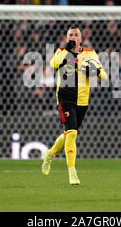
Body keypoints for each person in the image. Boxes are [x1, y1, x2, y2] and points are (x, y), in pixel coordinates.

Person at [41, 25, 107, 185]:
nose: (73, 37)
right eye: (70, 35)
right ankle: (72, 172)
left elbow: (104, 76)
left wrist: (95, 70)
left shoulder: (90, 54)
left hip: (83, 100)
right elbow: (53, 64)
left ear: (81, 38)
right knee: (72, 133)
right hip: (65, 98)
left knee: (68, 133)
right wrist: (67, 50)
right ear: (66, 37)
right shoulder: (61, 51)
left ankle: (49, 154)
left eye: (76, 35)